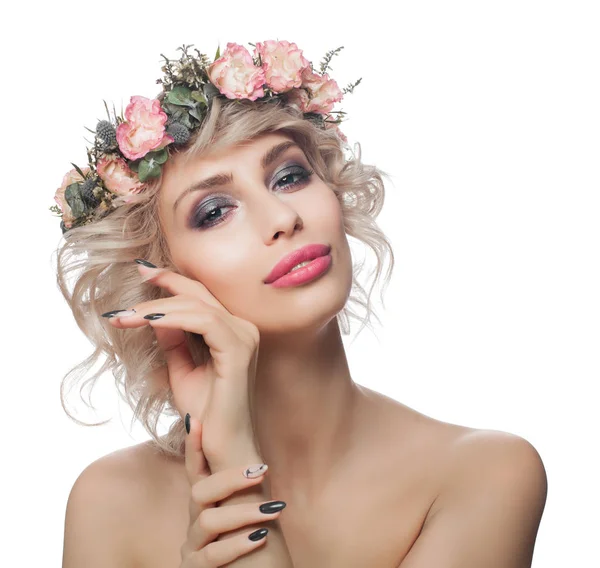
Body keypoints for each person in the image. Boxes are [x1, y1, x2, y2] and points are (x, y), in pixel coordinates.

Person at [54, 41, 547, 567]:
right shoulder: (109, 503)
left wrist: (238, 476)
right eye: (216, 210)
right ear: (162, 283)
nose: (281, 218)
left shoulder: (486, 473)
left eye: (289, 176)